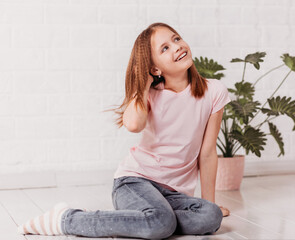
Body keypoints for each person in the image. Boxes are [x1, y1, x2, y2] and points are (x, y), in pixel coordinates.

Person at [17, 22, 231, 239]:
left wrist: (208, 202)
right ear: (155, 69)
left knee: (211, 216)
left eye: (176, 39)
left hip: (175, 194)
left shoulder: (214, 92)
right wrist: (143, 86)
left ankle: (144, 219)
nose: (176, 46)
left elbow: (207, 153)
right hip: (135, 182)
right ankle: (66, 219)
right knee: (160, 223)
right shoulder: (150, 96)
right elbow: (133, 125)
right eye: (164, 48)